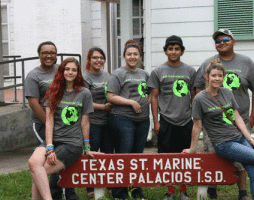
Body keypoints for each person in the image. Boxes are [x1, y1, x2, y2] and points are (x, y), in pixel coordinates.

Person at [183, 62, 254, 200]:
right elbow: (197, 124)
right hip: (224, 144)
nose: (217, 78)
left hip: (240, 139)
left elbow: (237, 117)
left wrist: (250, 139)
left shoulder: (227, 92)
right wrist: (192, 149)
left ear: (224, 77)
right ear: (207, 77)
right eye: (214, 75)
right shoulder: (200, 99)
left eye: (220, 75)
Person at [194, 29, 254, 200]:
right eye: (218, 40)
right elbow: (197, 89)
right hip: (214, 125)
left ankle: (243, 193)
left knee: (243, 159)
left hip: (238, 121)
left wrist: (253, 116)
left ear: (233, 41)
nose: (222, 42)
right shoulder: (207, 63)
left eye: (226, 39)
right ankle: (212, 190)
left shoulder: (246, 62)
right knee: (212, 156)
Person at [28, 58, 101, 200]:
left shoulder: (84, 93)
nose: (70, 72)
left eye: (74, 70)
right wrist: (49, 147)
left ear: (78, 73)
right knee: (34, 163)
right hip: (53, 140)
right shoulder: (53, 91)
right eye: (67, 69)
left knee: (40, 171)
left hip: (72, 144)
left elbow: (85, 122)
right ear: (61, 71)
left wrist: (86, 147)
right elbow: (49, 121)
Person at [25, 41, 79, 200]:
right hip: (43, 125)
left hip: (64, 124)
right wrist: (53, 126)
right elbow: (34, 104)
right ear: (39, 55)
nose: (49, 56)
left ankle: (63, 193)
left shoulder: (61, 71)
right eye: (45, 53)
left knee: (47, 164)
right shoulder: (33, 76)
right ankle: (56, 194)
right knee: (49, 159)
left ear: (56, 55)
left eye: (52, 52)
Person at [147, 35, 196, 200]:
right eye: (170, 49)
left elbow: (194, 96)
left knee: (184, 158)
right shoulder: (158, 71)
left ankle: (183, 191)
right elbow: (154, 97)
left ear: (182, 51)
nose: (173, 52)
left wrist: (194, 118)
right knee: (166, 158)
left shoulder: (190, 71)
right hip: (166, 121)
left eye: (176, 49)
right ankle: (170, 191)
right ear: (165, 51)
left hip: (185, 121)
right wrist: (156, 121)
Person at [107, 43, 150, 200]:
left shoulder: (144, 74)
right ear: (124, 56)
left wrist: (147, 102)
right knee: (124, 156)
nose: (132, 57)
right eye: (129, 54)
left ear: (140, 56)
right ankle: (120, 193)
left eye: (135, 54)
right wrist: (130, 102)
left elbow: (150, 93)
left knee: (137, 156)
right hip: (123, 118)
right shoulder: (118, 73)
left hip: (143, 120)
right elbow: (110, 96)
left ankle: (136, 189)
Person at [82, 47, 114, 198]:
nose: (99, 60)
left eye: (101, 57)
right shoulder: (84, 77)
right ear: (89, 60)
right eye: (95, 57)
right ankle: (90, 187)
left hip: (107, 122)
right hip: (92, 122)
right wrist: (104, 107)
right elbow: (83, 101)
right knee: (92, 155)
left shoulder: (107, 75)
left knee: (108, 155)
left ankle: (109, 184)